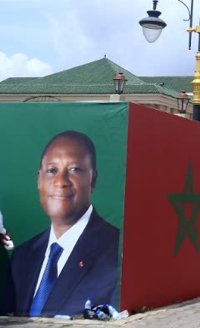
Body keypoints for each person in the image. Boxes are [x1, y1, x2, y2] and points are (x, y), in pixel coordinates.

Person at [1, 131, 119, 318]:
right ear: (39, 179)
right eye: (52, 170)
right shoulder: (22, 257)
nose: (60, 181)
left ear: (92, 179)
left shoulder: (117, 253)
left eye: (74, 170)